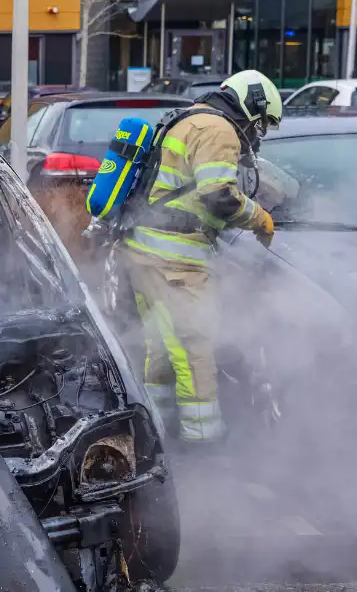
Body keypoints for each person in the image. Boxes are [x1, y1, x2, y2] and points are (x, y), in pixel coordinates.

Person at [121, 69, 280, 446]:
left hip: (146, 251)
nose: (257, 133)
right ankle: (203, 439)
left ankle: (156, 431)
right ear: (250, 106)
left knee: (160, 344)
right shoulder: (218, 130)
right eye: (260, 123)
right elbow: (218, 194)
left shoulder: (188, 119)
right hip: (176, 261)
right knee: (196, 350)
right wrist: (260, 218)